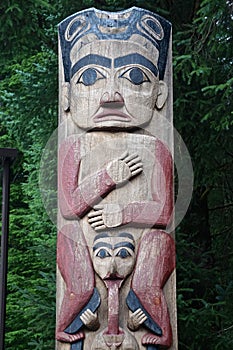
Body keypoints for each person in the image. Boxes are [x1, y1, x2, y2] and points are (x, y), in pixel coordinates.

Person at [57, 7, 175, 349]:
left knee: (155, 248)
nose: (111, 96)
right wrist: (108, 177)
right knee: (75, 263)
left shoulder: (156, 148)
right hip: (91, 245)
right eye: (90, 77)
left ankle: (159, 334)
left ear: (160, 94)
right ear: (67, 95)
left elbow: (164, 212)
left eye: (135, 77)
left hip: (134, 248)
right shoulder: (75, 145)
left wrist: (122, 214)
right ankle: (71, 325)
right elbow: (67, 207)